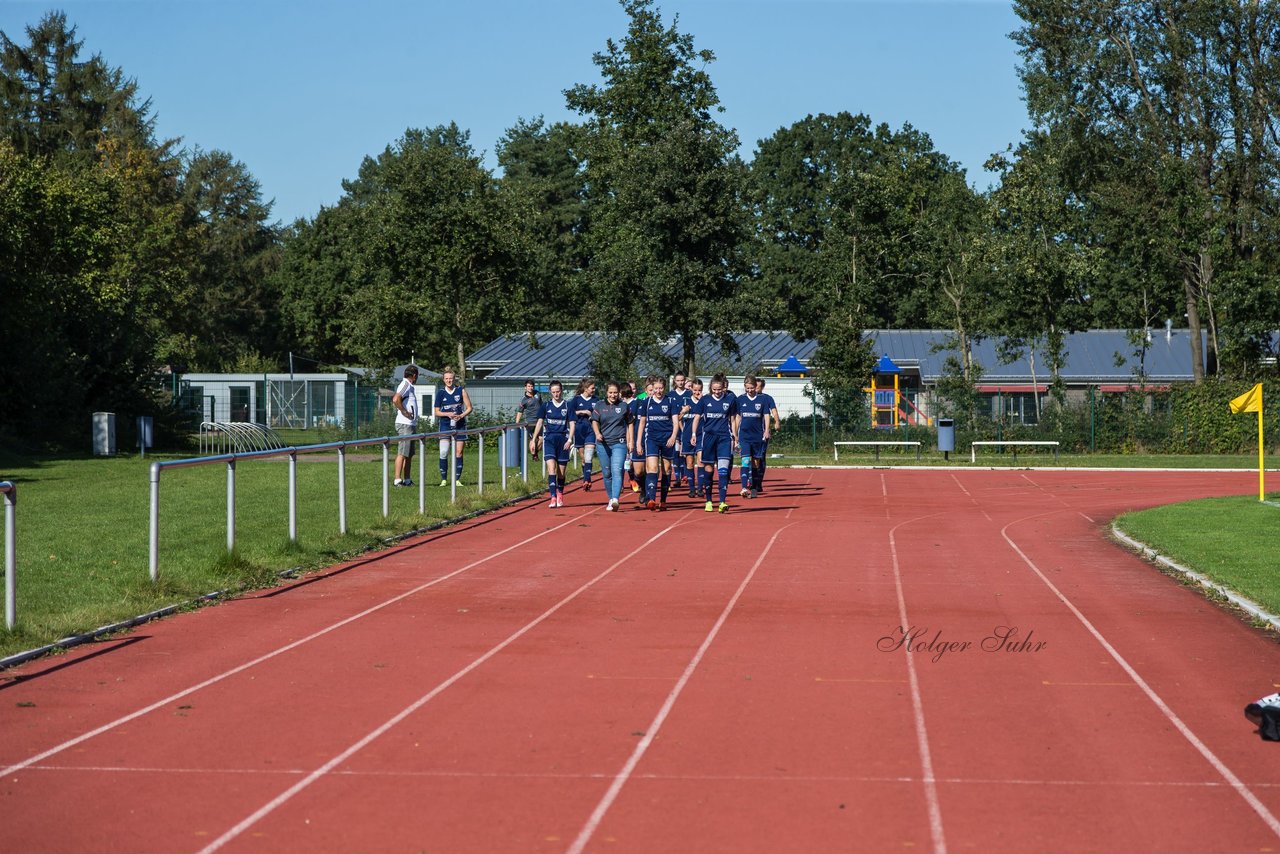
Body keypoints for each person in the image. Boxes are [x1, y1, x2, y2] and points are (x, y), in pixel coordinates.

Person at [636, 375, 688, 510]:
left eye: (661, 388)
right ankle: (651, 499)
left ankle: (663, 500)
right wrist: (638, 442)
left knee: (666, 469)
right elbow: (642, 423)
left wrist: (673, 436)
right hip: (651, 439)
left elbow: (676, 422)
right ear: (652, 388)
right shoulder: (646, 403)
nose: (658, 391)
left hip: (667, 439)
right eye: (656, 388)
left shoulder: (670, 402)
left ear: (664, 388)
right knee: (652, 468)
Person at [690, 373, 738, 513]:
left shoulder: (730, 400)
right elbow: (697, 418)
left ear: (724, 388)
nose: (717, 392)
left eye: (719, 389)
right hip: (708, 438)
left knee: (723, 471)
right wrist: (694, 434)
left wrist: (735, 437)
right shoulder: (704, 400)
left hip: (724, 438)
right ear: (711, 388)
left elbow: (733, 420)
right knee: (709, 470)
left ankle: (722, 502)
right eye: (714, 389)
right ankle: (709, 500)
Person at [591, 381, 634, 512]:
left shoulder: (624, 406)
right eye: (610, 392)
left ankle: (615, 499)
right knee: (607, 473)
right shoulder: (599, 405)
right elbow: (594, 421)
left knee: (617, 470)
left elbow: (630, 423)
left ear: (619, 393)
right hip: (603, 443)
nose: (613, 395)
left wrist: (630, 441)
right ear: (606, 393)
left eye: (615, 392)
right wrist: (597, 433)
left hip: (619, 443)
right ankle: (610, 498)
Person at [530, 379, 574, 508]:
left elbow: (572, 423)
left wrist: (570, 439)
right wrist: (534, 439)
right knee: (551, 468)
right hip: (549, 439)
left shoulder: (567, 406)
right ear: (550, 392)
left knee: (561, 472)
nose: (556, 394)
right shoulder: (546, 406)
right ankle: (553, 497)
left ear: (561, 391)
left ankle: (560, 493)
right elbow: (539, 422)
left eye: (558, 391)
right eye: (553, 392)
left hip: (563, 440)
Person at [434, 366, 473, 487]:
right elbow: (436, 412)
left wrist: (460, 416)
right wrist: (447, 414)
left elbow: (469, 408)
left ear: (454, 379)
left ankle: (457, 479)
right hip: (445, 424)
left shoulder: (461, 391)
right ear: (443, 380)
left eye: (451, 378)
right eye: (446, 379)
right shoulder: (440, 393)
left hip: (459, 425)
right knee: (444, 451)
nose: (449, 381)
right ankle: (444, 479)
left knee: (459, 452)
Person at [736, 373, 771, 499]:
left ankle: (755, 486)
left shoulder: (762, 400)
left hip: (757, 436)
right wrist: (735, 434)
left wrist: (766, 430)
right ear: (744, 387)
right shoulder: (740, 399)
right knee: (745, 460)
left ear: (756, 387)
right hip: (744, 436)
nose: (749, 390)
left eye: (752, 388)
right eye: (747, 388)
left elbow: (766, 415)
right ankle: (744, 487)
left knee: (756, 462)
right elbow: (737, 417)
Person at [392, 365, 419, 487]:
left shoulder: (410, 386)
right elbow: (396, 399)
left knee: (409, 454)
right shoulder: (405, 384)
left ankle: (407, 479)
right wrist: (404, 411)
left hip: (410, 424)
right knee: (402, 452)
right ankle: (397, 479)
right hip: (405, 424)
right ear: (414, 376)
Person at [570, 378, 598, 491]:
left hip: (591, 430)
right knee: (583, 458)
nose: (594, 390)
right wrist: (582, 412)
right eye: (592, 388)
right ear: (586, 389)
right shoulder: (576, 400)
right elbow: (569, 412)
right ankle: (587, 478)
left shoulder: (596, 400)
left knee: (588, 456)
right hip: (579, 430)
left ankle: (586, 480)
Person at [755, 377, 781, 494]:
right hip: (749, 433)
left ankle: (758, 482)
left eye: (757, 387)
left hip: (762, 433)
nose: (755, 389)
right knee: (749, 458)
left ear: (762, 387)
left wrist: (777, 421)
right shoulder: (746, 398)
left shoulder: (767, 398)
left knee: (760, 457)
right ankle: (751, 480)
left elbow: (774, 411)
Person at [516, 379, 543, 476]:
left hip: (539, 421)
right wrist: (517, 423)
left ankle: (535, 453)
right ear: (525, 387)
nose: (530, 388)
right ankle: (533, 455)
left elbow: (542, 405)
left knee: (541, 439)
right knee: (533, 439)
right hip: (530, 423)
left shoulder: (538, 394)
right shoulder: (524, 399)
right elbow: (520, 412)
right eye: (529, 386)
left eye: (532, 386)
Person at [681, 378, 703, 497]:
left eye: (699, 390)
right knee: (689, 462)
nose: (697, 392)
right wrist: (683, 412)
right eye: (695, 390)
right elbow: (677, 418)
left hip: (701, 435)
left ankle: (700, 488)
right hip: (688, 435)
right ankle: (691, 488)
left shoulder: (704, 401)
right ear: (691, 389)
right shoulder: (686, 401)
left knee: (700, 461)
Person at [670, 371, 691, 487]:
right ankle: (677, 477)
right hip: (675, 427)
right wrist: (681, 413)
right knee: (676, 452)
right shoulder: (671, 395)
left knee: (685, 452)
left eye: (682, 380)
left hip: (687, 426)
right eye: (678, 380)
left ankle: (686, 475)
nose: (680, 382)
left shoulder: (689, 394)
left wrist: (685, 412)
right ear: (674, 381)